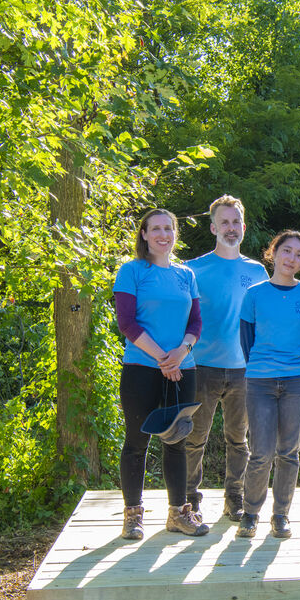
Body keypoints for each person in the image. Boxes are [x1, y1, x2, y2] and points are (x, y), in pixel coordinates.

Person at [114, 209, 207, 540]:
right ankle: (132, 515)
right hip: (142, 368)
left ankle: (178, 513)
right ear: (144, 234)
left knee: (177, 441)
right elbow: (127, 323)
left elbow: (195, 322)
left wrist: (181, 352)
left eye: (168, 228)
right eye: (156, 229)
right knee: (136, 443)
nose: (163, 234)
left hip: (184, 369)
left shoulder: (186, 275)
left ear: (174, 234)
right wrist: (163, 359)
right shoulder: (132, 271)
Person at [184, 195, 269, 522]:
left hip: (244, 370)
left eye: (236, 222)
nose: (230, 228)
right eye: (224, 222)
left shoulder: (257, 270)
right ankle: (190, 500)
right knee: (194, 439)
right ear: (213, 227)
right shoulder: (193, 269)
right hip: (201, 367)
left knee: (239, 440)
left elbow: (263, 319)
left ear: (243, 227)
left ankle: (234, 498)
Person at [236, 230, 300, 539]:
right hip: (260, 382)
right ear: (274, 252)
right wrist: (263, 366)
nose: (292, 258)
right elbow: (246, 340)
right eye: (287, 251)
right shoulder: (255, 294)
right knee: (261, 452)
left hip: (297, 382)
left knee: (289, 451)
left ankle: (281, 514)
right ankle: (250, 513)